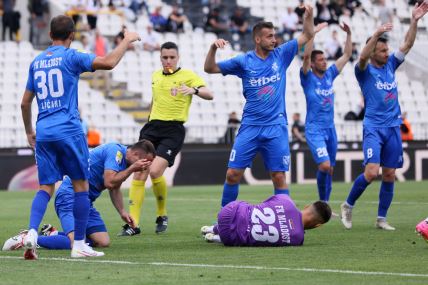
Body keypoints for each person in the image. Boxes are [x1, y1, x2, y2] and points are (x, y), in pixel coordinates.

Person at [20, 15, 140, 259]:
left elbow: (25, 103)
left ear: (50, 34)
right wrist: (126, 41)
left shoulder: (37, 61)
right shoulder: (71, 56)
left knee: (45, 186)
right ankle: (80, 245)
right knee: (80, 185)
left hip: (43, 131)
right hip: (69, 130)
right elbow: (108, 62)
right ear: (72, 36)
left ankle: (31, 232)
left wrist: (29, 132)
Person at [204, 5, 315, 207]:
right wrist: (213, 48)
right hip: (250, 126)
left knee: (279, 177)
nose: (274, 40)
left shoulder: (281, 54)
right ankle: (224, 222)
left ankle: (286, 223)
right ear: (257, 39)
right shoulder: (244, 61)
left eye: (274, 36)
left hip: (276, 127)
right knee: (232, 174)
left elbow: (308, 34)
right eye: (269, 36)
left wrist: (309, 16)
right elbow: (209, 68)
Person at [340, 2, 428, 231]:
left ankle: (381, 219)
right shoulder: (364, 71)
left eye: (387, 50)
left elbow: (407, 44)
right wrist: (377, 33)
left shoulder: (390, 65)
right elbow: (361, 57)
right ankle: (348, 205)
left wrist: (415, 20)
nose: (387, 53)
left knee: (389, 174)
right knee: (371, 172)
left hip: (393, 127)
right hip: (373, 127)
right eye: (382, 50)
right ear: (374, 53)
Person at [118, 42, 214, 236]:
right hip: (152, 127)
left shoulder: (187, 76)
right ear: (160, 57)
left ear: (178, 58)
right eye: (165, 57)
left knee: (154, 171)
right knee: (140, 171)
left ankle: (162, 214)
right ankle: (133, 224)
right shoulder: (155, 76)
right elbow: (155, 100)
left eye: (172, 57)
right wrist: (148, 120)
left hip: (173, 129)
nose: (168, 60)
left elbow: (209, 94)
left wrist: (194, 91)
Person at [2, 140, 155, 252]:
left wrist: (122, 212)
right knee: (75, 244)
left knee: (102, 241)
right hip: (69, 196)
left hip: (85, 201)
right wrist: (133, 169)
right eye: (145, 161)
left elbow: (114, 188)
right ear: (135, 154)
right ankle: (26, 239)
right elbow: (109, 182)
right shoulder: (116, 152)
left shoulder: (125, 163)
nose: (145, 166)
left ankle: (54, 234)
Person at [300, 22, 352, 204]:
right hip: (314, 129)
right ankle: (322, 203)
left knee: (329, 169)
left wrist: (349, 34)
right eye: (321, 60)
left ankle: (325, 205)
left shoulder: (330, 74)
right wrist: (312, 34)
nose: (325, 62)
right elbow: (306, 55)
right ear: (313, 64)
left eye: (325, 59)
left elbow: (346, 55)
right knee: (324, 164)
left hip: (331, 129)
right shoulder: (307, 77)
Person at [200, 195, 332, 246]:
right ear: (318, 225)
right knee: (247, 233)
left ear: (307, 206)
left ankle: (214, 228)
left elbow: (264, 204)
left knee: (250, 210)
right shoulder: (298, 239)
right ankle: (218, 236)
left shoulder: (286, 200)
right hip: (230, 238)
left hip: (228, 211)